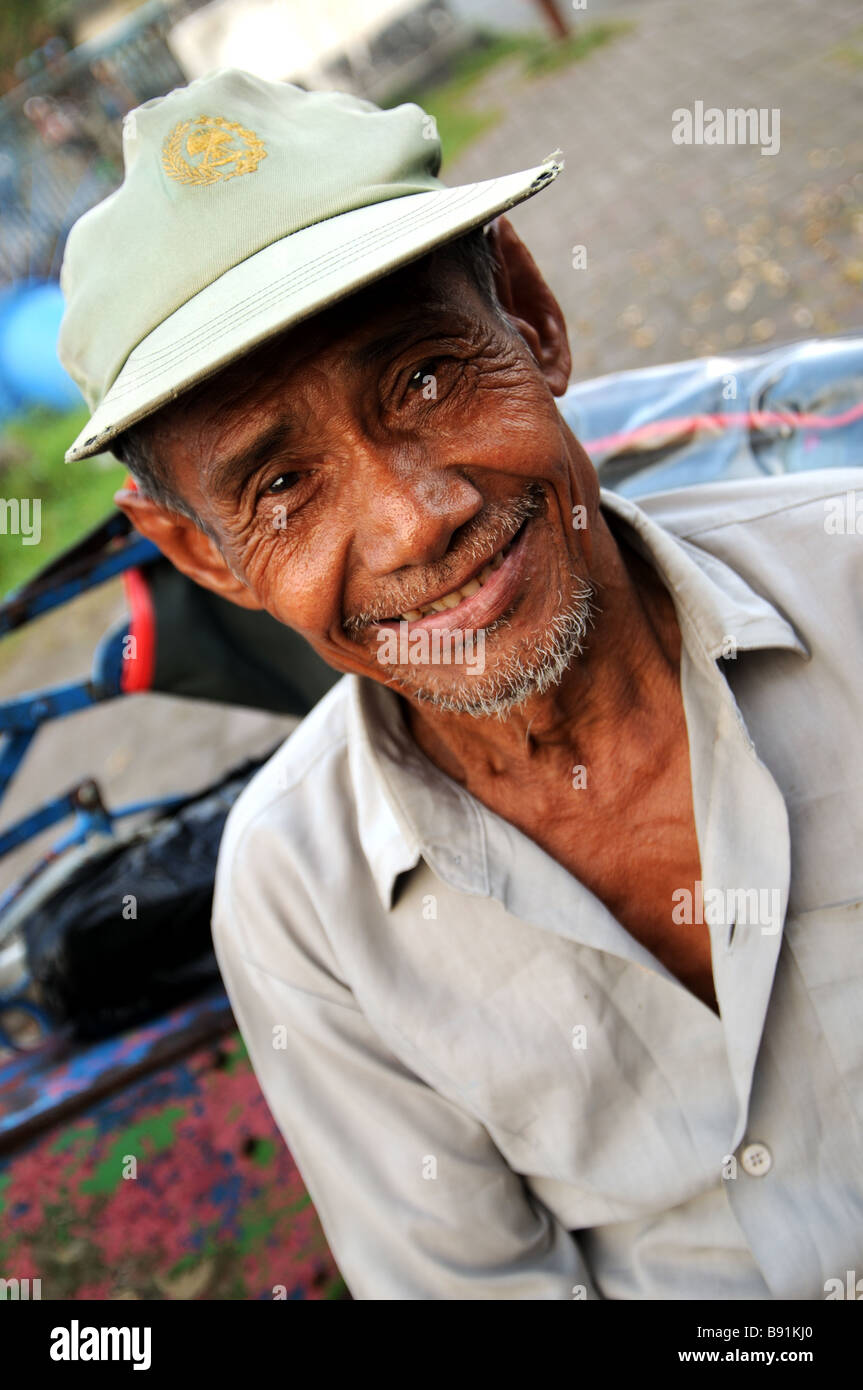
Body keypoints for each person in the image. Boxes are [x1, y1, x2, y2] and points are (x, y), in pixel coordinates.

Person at [58, 68, 863, 1300]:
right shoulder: (296, 904)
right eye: (280, 489)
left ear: (529, 316)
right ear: (201, 555)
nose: (412, 522)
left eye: (425, 380)